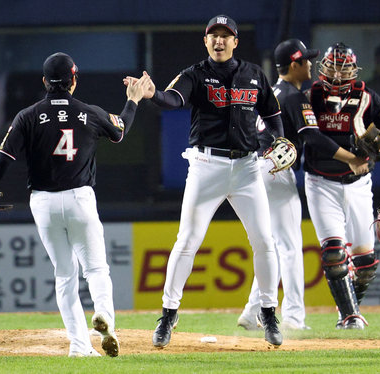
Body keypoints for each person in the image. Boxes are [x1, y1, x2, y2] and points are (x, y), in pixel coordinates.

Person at [0, 52, 150, 357]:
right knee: (96, 269)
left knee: (64, 275)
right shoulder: (88, 112)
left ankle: (79, 347)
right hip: (80, 198)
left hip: (43, 203)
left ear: (44, 82)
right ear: (74, 80)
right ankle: (105, 317)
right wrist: (132, 100)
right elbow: (121, 130)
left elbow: (3, 158)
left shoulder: (27, 116)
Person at [140, 14, 284, 348]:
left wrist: (280, 139)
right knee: (188, 239)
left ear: (235, 41)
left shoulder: (254, 75)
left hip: (247, 169)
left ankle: (268, 311)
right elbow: (173, 100)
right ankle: (168, 314)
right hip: (206, 165)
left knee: (265, 240)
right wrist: (152, 94)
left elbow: (273, 116)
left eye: (225, 35)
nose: (219, 40)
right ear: (205, 42)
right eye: (213, 35)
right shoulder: (196, 74)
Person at [306, 42, 380, 329]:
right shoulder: (310, 96)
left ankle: (346, 311)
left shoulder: (366, 96)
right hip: (321, 181)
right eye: (332, 65)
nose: (336, 72)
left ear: (353, 69)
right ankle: (350, 317)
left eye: (343, 66)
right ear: (323, 66)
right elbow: (309, 136)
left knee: (366, 264)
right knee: (334, 251)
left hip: (358, 184)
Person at [237, 39, 320, 331]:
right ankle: (295, 317)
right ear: (294, 64)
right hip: (275, 171)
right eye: (306, 60)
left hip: (256, 168)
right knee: (289, 246)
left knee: (270, 246)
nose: (311, 64)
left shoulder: (271, 92)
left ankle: (251, 311)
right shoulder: (293, 96)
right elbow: (314, 138)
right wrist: (349, 157)